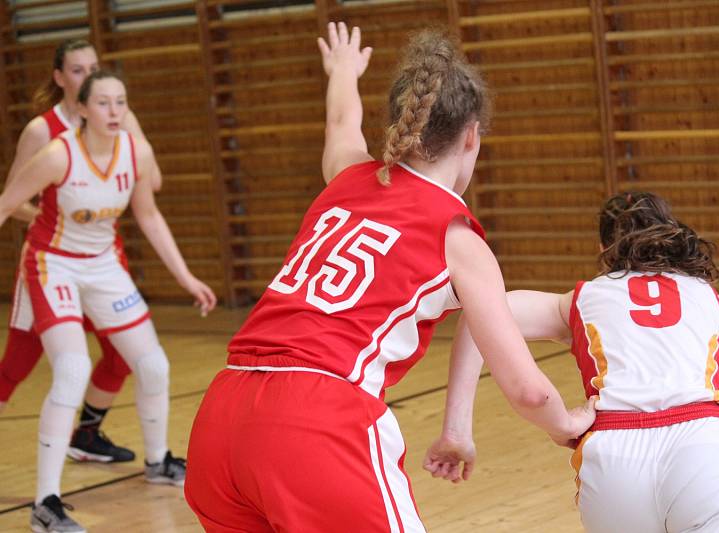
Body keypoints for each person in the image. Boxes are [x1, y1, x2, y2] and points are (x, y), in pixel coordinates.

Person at [183, 22, 594, 533]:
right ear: (472, 136)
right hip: (316, 419)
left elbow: (341, 122)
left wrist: (342, 72)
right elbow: (527, 389)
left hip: (221, 415)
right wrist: (568, 423)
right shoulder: (459, 239)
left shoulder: (348, 173)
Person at [429, 191, 719, 532]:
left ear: (604, 247)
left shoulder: (578, 300)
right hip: (702, 447)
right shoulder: (712, 301)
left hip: (614, 458)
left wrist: (457, 429)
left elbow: (480, 316)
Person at [0, 70, 216, 533]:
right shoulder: (57, 156)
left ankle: (158, 461)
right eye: (104, 103)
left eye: (121, 102)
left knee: (154, 365)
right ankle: (45, 503)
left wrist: (187, 278)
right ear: (81, 109)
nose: (115, 112)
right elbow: (4, 205)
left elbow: (150, 216)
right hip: (52, 264)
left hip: (101, 266)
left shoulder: (136, 152)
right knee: (73, 368)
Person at [0, 38, 164, 464]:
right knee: (18, 362)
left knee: (124, 356)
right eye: (77, 69)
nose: (87, 75)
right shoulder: (43, 131)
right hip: (51, 258)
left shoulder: (118, 117)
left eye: (93, 67)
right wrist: (56, 214)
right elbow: (12, 198)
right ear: (59, 77)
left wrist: (133, 137)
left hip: (103, 259)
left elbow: (154, 182)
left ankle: (87, 435)